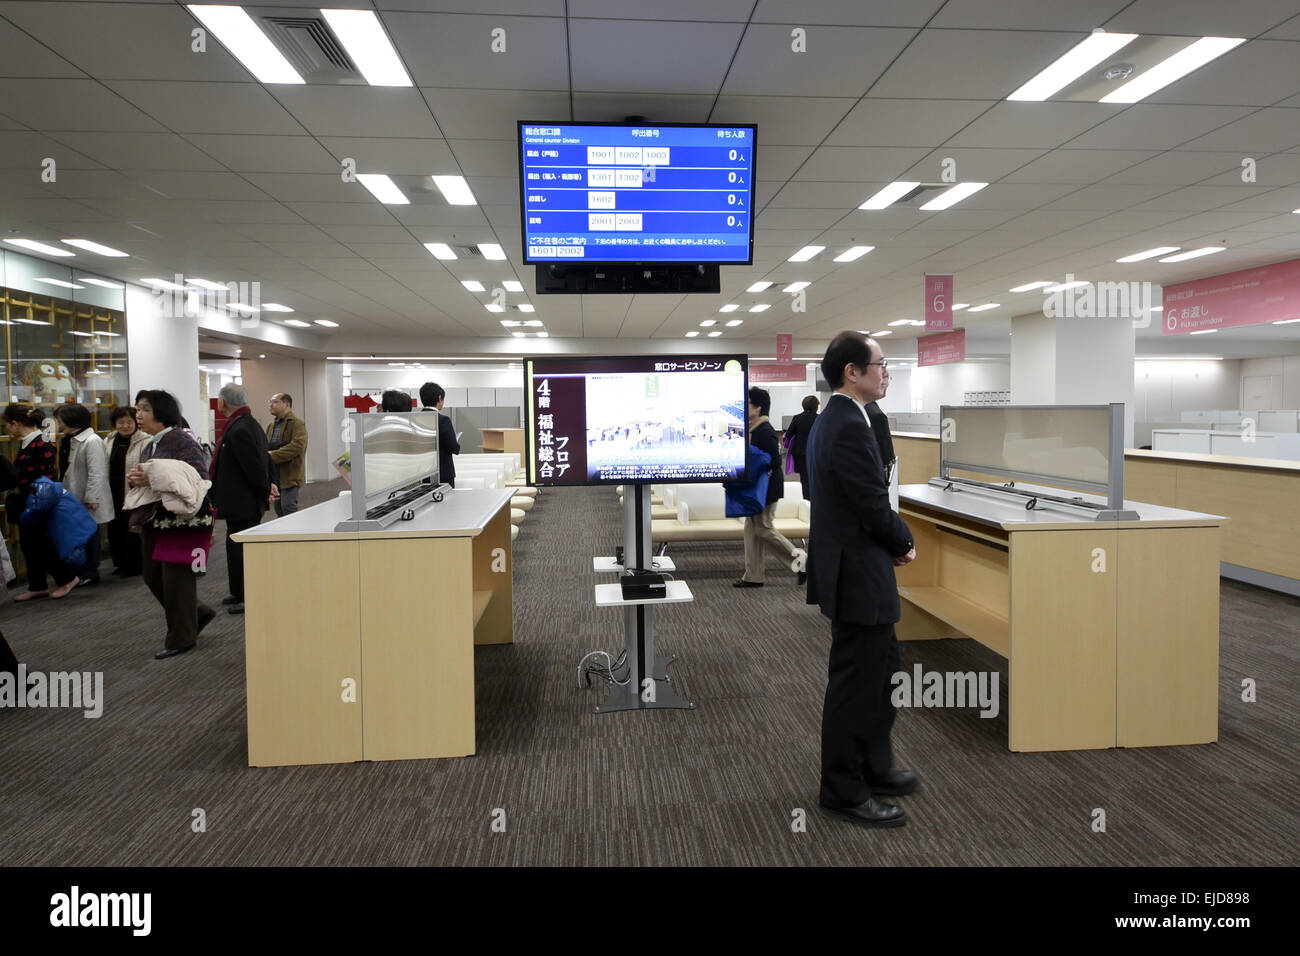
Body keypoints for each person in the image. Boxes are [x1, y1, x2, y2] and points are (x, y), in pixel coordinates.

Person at [805, 332, 917, 828]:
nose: (885, 371)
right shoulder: (848, 424)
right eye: (880, 363)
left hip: (855, 567)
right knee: (856, 683)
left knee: (883, 671)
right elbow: (871, 503)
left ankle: (875, 764)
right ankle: (843, 788)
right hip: (857, 574)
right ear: (853, 371)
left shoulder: (844, 418)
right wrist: (903, 541)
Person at [128, 390, 215, 660]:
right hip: (155, 520)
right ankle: (196, 613)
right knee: (152, 576)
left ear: (161, 412)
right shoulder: (150, 443)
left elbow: (197, 478)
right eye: (138, 409)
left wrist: (152, 479)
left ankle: (181, 638)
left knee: (177, 581)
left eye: (144, 409)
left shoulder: (180, 439)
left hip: (180, 522)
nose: (138, 415)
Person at [4, 405, 79, 600]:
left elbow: (46, 477)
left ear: (15, 423)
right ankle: (37, 584)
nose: (6, 429)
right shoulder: (27, 442)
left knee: (44, 545)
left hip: (38, 503)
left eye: (7, 425)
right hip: (26, 503)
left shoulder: (43, 442)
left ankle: (67, 578)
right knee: (29, 546)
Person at [734, 386, 805, 588]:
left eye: (747, 404)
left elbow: (773, 461)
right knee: (751, 530)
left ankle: (801, 561)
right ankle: (753, 576)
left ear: (757, 408)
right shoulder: (752, 430)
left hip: (764, 489)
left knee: (764, 528)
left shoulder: (765, 432)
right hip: (753, 488)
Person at [210, 384, 270, 615]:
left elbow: (254, 467)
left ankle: (247, 594)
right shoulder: (242, 424)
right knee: (234, 545)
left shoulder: (241, 428)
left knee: (242, 549)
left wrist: (265, 489)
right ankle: (237, 591)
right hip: (238, 501)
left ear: (222, 402)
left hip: (243, 501)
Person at [55, 404, 113, 587]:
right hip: (73, 496)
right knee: (79, 535)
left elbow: (97, 473)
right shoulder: (69, 439)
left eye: (60, 420)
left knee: (89, 535)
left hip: (86, 498)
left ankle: (90, 572)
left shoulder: (92, 440)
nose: (58, 423)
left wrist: (92, 497)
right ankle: (80, 572)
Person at [104, 406, 148, 577]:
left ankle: (135, 565)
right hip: (112, 490)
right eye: (120, 422)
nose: (125, 426)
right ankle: (120, 563)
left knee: (132, 528)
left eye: (129, 422)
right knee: (115, 528)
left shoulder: (144, 440)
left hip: (133, 490)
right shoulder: (109, 440)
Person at [265, 393, 307, 517]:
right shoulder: (271, 426)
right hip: (275, 474)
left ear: (286, 404)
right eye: (270, 401)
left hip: (290, 474)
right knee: (279, 510)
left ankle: (294, 536)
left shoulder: (297, 424)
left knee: (288, 508)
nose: (270, 405)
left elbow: (297, 446)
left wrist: (272, 455)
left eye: (274, 402)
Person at [419, 382, 460, 488]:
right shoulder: (443, 420)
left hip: (423, 473)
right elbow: (454, 448)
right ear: (439, 397)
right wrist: (456, 443)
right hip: (443, 474)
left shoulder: (416, 419)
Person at [785, 395, 820, 502]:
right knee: (815, 477)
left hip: (800, 453)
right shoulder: (819, 418)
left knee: (804, 479)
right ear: (816, 406)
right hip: (815, 453)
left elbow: (789, 434)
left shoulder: (797, 418)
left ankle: (806, 500)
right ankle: (815, 500)